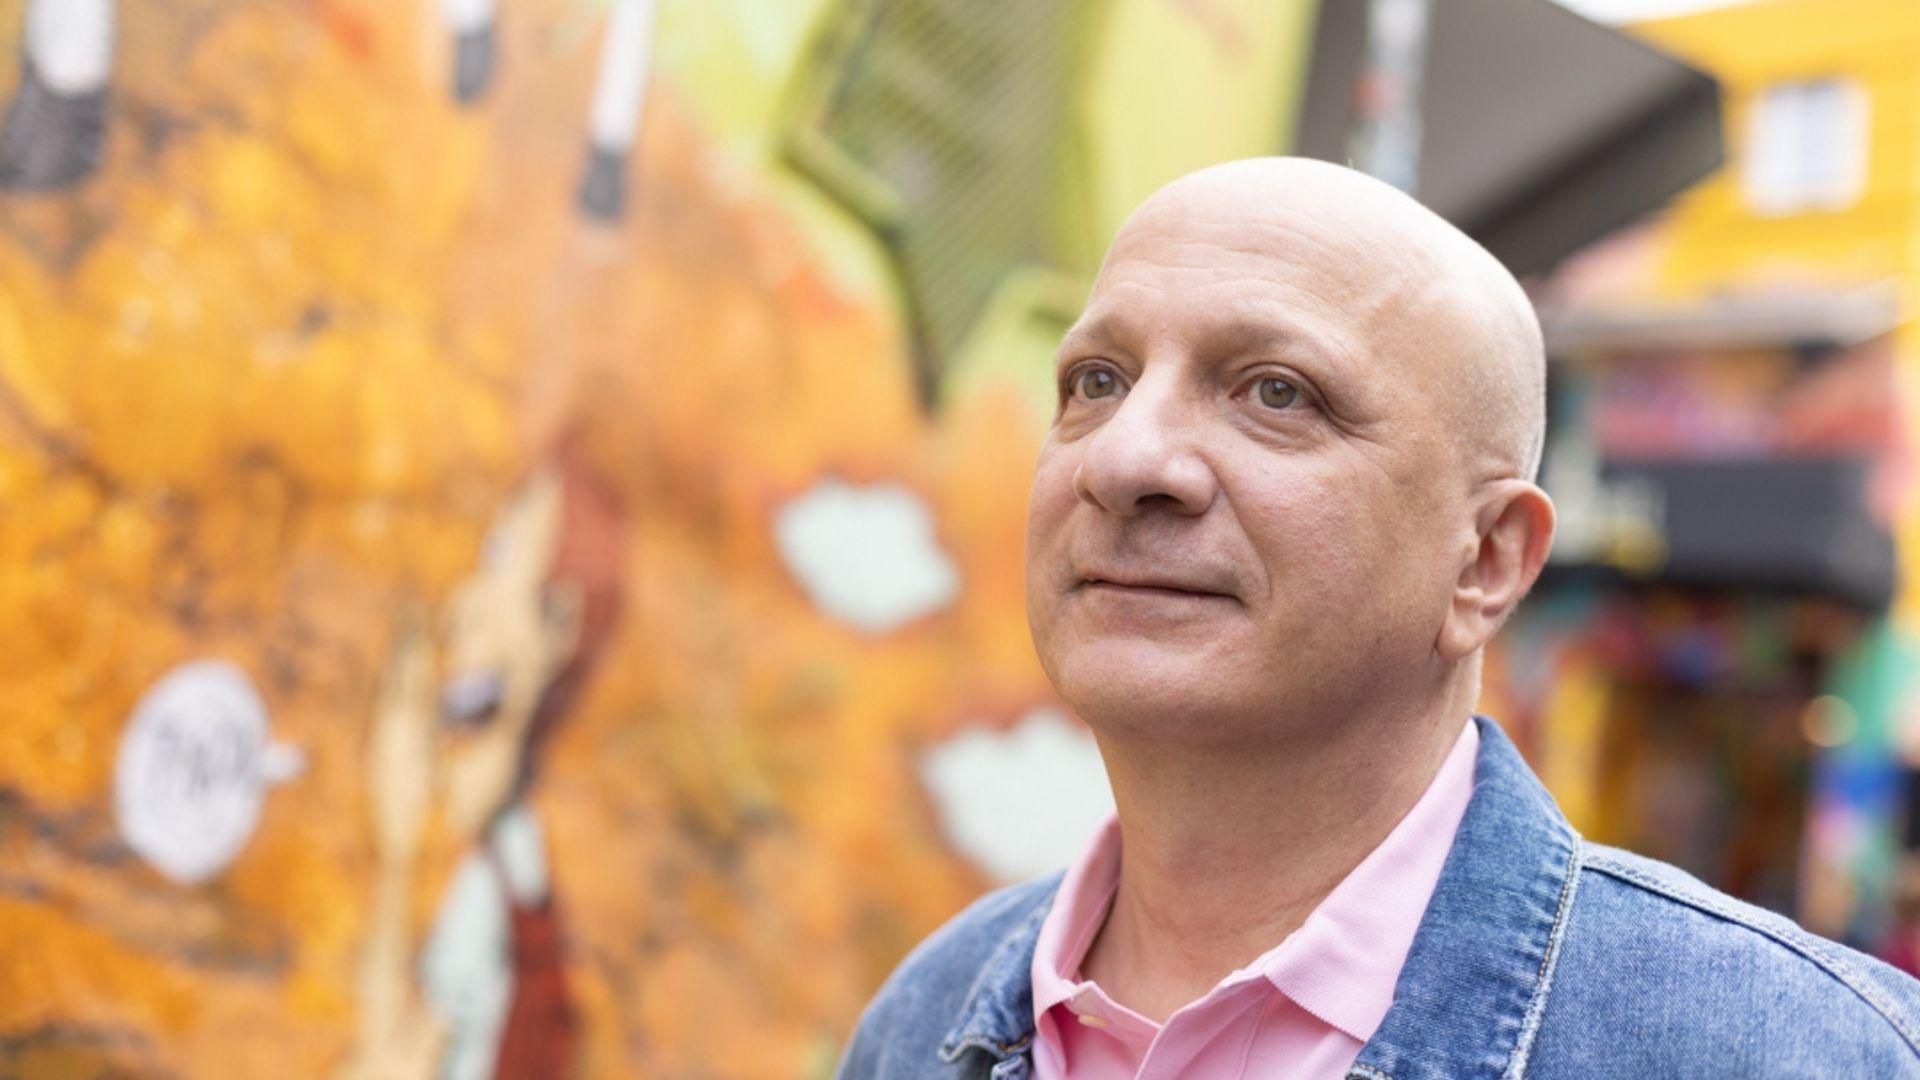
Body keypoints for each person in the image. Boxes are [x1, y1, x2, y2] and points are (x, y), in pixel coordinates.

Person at [837, 158, 1920, 1078]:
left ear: (1486, 561)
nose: (1125, 459)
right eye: (1095, 380)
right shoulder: (925, 1019)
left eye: (1276, 392)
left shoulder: (1793, 1052)